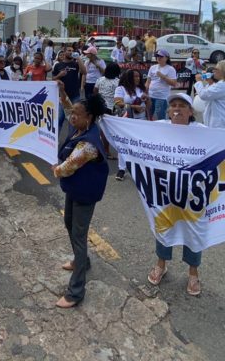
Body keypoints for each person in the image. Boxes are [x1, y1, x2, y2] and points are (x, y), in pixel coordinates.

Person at [51, 89, 109, 308]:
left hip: (85, 192)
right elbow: (67, 109)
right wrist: (64, 93)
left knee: (78, 234)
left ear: (90, 117)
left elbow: (68, 167)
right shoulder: (80, 127)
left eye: (77, 114)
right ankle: (81, 260)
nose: (72, 117)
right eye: (72, 113)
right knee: (69, 224)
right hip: (75, 189)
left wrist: (55, 168)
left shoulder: (89, 144)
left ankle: (76, 292)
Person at [146, 92, 205, 295]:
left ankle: (193, 273)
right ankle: (161, 264)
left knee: (194, 232)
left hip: (193, 194)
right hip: (165, 190)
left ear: (191, 111)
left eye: (182, 105)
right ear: (168, 111)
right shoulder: (160, 127)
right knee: (163, 226)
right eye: (173, 106)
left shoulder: (202, 131)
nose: (177, 109)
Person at [114, 68, 148, 180]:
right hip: (126, 120)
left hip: (141, 120)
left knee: (139, 144)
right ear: (129, 78)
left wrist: (147, 99)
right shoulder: (121, 88)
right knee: (123, 143)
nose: (138, 78)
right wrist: (133, 107)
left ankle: (138, 168)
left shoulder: (141, 89)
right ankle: (122, 169)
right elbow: (118, 103)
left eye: (139, 76)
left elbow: (148, 106)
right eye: (135, 76)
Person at [198, 61, 225, 129]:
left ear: (223, 72)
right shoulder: (220, 84)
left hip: (221, 124)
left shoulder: (222, 85)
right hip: (218, 123)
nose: (213, 71)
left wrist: (198, 82)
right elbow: (209, 91)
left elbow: (203, 95)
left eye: (216, 69)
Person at [52, 50, 86, 127]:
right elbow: (53, 79)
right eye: (69, 50)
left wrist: (78, 58)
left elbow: (84, 72)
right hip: (62, 96)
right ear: (64, 53)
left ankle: (71, 138)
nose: (71, 52)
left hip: (74, 96)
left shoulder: (76, 64)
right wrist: (59, 75)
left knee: (74, 119)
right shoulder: (58, 65)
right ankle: (56, 138)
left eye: (72, 51)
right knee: (59, 119)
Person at [146, 49, 177, 121]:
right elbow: (148, 81)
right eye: (157, 56)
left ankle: (162, 130)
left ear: (166, 58)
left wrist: (163, 77)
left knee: (160, 117)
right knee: (148, 115)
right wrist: (145, 92)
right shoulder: (152, 67)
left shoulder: (170, 69)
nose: (158, 58)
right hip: (150, 96)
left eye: (161, 56)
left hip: (161, 97)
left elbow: (174, 83)